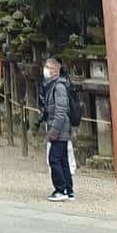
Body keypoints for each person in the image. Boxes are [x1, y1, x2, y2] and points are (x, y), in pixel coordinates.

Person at [40, 54, 73, 202]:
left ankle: (60, 189)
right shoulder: (52, 86)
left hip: (60, 129)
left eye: (48, 67)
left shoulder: (59, 87)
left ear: (55, 70)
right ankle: (69, 189)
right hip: (59, 128)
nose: (45, 70)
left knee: (54, 159)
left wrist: (54, 131)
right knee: (63, 159)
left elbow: (61, 111)